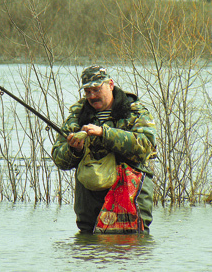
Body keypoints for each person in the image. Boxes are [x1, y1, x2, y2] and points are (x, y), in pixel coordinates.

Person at [51, 65, 156, 234]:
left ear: (110, 84)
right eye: (87, 92)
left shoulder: (134, 111)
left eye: (96, 89)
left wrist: (104, 134)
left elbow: (145, 146)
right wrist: (74, 151)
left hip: (130, 200)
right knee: (89, 255)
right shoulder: (78, 115)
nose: (92, 96)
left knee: (131, 253)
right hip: (90, 205)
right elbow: (59, 159)